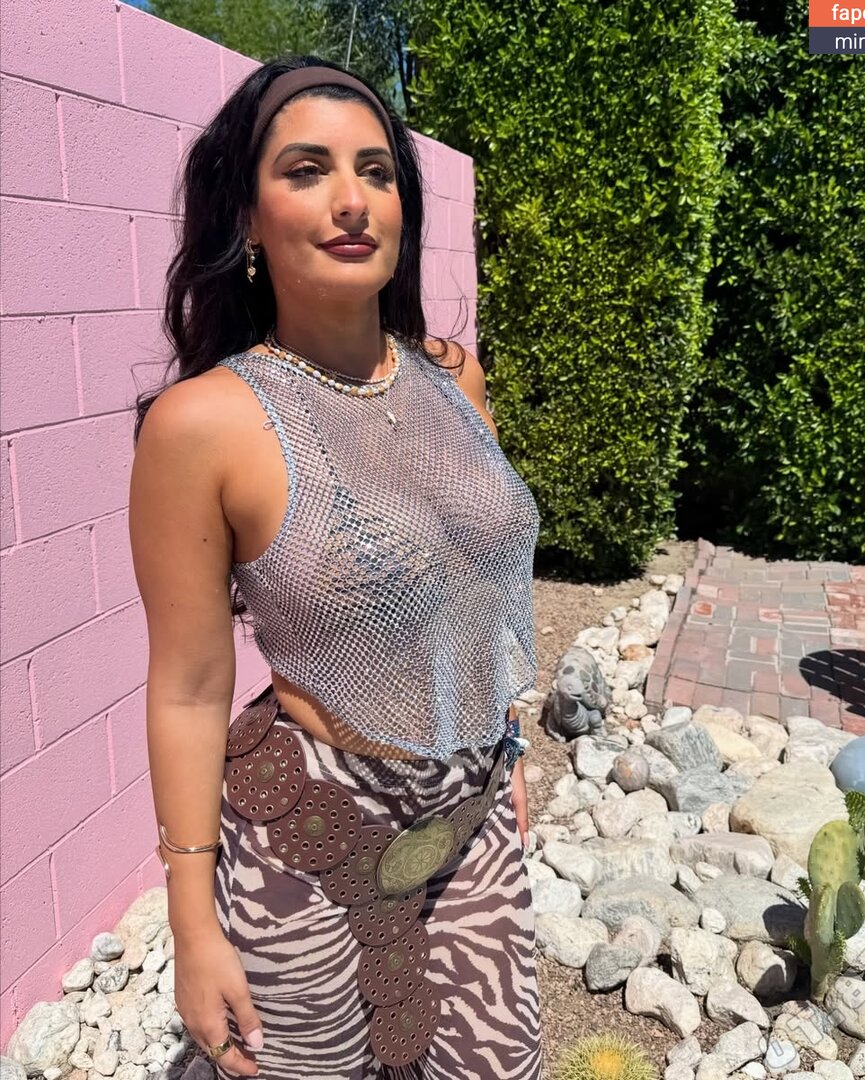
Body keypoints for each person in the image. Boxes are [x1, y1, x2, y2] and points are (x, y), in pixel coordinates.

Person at [128, 56, 543, 1080]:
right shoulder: (201, 425)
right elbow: (188, 688)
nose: (352, 200)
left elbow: (474, 592)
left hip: (470, 813)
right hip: (308, 840)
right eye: (307, 170)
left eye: (376, 171)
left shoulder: (453, 378)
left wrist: (506, 751)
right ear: (248, 217)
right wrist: (193, 927)